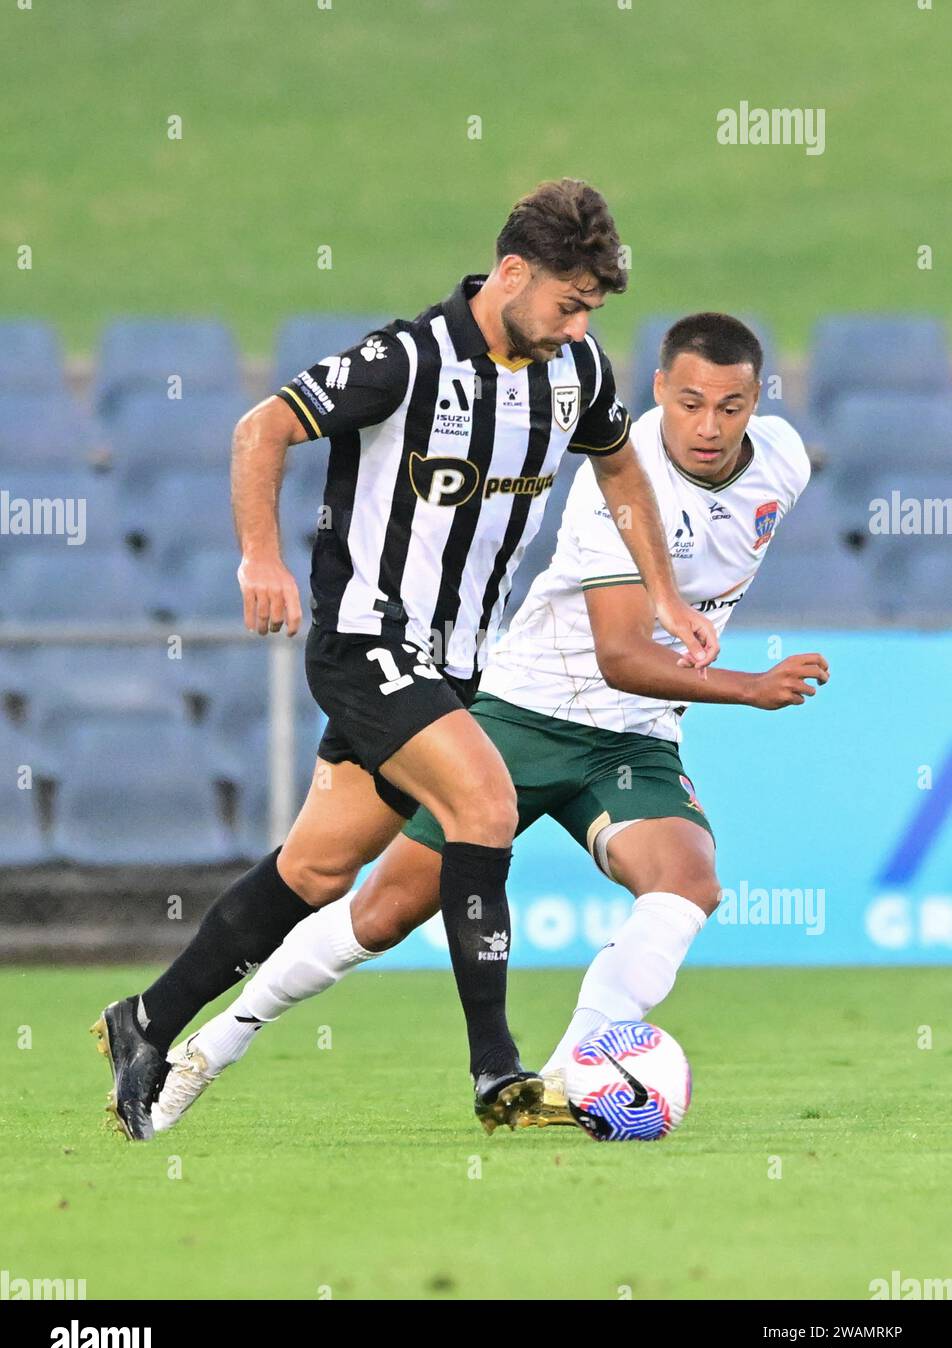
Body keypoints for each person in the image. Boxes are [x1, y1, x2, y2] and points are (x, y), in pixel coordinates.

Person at [92, 181, 718, 1141]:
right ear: (512, 273)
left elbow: (622, 465)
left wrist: (667, 595)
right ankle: (496, 1071)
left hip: (456, 663)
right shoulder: (407, 360)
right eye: (569, 301)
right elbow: (261, 428)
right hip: (367, 642)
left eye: (593, 308)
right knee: (487, 804)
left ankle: (146, 1021)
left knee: (315, 871)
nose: (579, 324)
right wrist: (259, 556)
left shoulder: (574, 371)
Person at [149, 312, 828, 1136]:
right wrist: (747, 688)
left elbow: (662, 646)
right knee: (382, 913)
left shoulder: (783, 462)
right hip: (524, 714)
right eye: (690, 403)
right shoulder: (623, 480)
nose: (709, 426)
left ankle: (575, 1069)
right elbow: (620, 654)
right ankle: (212, 1046)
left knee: (689, 883)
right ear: (658, 392)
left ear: (759, 401)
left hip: (636, 736)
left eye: (730, 406)